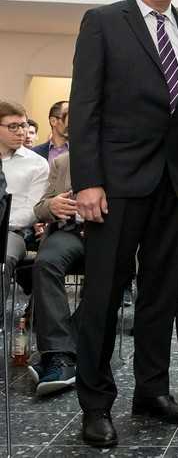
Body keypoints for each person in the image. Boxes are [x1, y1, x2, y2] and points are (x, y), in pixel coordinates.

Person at [69, 0, 178, 447]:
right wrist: (86, 181)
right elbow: (84, 105)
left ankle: (151, 391)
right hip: (115, 187)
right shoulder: (103, 22)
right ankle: (95, 403)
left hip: (174, 188)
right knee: (104, 298)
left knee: (161, 297)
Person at [30, 150, 83, 396]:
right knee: (45, 263)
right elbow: (39, 208)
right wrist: (52, 205)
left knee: (110, 273)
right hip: (68, 232)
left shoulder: (122, 157)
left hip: (108, 235)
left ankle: (59, 351)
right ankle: (60, 356)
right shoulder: (63, 162)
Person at [0, 102, 49, 282]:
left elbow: (32, 211)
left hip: (12, 233)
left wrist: (2, 223)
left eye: (24, 125)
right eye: (13, 126)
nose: (21, 132)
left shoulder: (37, 164)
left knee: (2, 259)